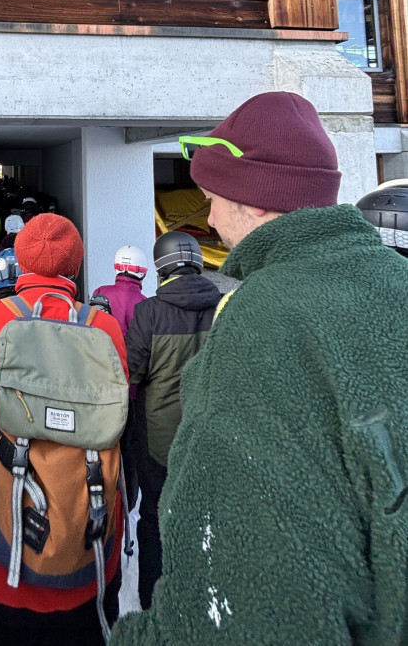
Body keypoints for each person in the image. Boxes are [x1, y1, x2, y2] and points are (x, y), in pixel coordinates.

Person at [110, 91, 408, 646]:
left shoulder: (260, 324)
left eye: (215, 198)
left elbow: (241, 608)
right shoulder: (394, 286)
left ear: (263, 201)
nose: (211, 218)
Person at [0, 213, 129, 646]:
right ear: (75, 268)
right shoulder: (104, 328)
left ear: (19, 264)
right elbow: (121, 426)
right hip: (87, 557)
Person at [125, 231, 220, 609]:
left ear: (160, 269)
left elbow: (131, 373)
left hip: (158, 442)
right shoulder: (225, 307)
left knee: (154, 518)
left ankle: (156, 604)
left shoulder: (148, 312)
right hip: (209, 438)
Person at [90, 245, 149, 336]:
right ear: (143, 272)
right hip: (131, 350)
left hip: (104, 348)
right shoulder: (145, 303)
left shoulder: (100, 292)